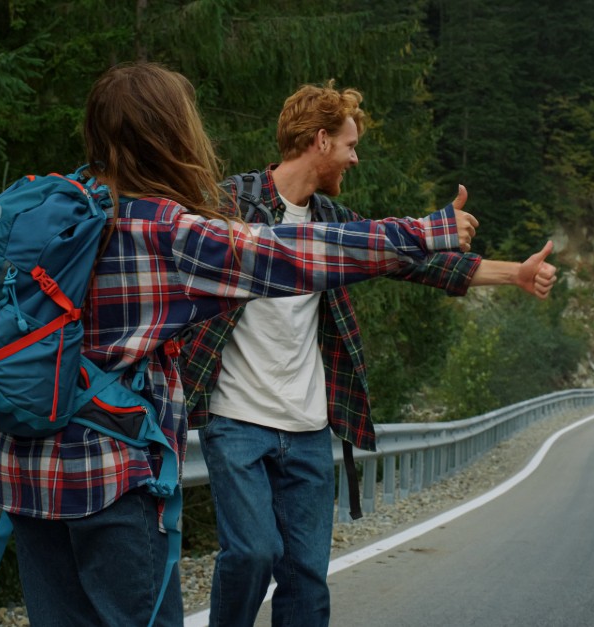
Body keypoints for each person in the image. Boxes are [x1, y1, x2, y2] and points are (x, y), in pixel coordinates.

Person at [0, 62, 504, 626]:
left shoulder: (58, 210)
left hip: (26, 470)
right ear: (172, 134)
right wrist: (425, 231)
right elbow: (297, 255)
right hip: (111, 478)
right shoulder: (167, 232)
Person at [178, 81, 557, 627]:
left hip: (308, 427)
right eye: (350, 145)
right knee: (253, 553)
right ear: (320, 140)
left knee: (306, 575)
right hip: (236, 421)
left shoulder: (334, 218)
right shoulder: (229, 204)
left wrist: (513, 274)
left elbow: (415, 262)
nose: (355, 157)